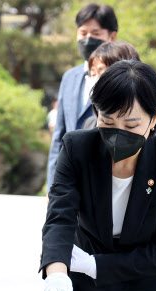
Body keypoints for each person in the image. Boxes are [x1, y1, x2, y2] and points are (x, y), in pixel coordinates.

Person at [40, 60, 156, 291]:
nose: (118, 133)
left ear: (154, 118)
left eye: (131, 124)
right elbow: (60, 217)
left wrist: (95, 265)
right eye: (107, 122)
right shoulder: (77, 149)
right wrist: (57, 273)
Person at [46, 3, 118, 190]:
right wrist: (52, 184)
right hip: (70, 179)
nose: (88, 39)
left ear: (112, 36)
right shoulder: (69, 77)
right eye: (83, 33)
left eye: (95, 33)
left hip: (107, 180)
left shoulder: (125, 77)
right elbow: (59, 137)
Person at [81, 41, 141, 130]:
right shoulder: (89, 124)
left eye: (102, 72)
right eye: (93, 74)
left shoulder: (141, 125)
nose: (96, 80)